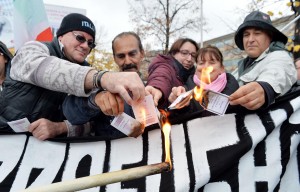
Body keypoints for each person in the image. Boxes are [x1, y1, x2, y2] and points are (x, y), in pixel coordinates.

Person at [0, 14, 145, 140]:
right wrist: (103, 78)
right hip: (5, 136)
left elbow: (91, 123)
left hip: (43, 151)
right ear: (61, 36)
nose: (85, 46)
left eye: (90, 43)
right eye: (80, 38)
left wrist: (60, 128)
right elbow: (45, 69)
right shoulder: (34, 48)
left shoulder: (88, 71)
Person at [63, 31, 146, 138]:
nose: (127, 61)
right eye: (121, 56)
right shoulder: (103, 86)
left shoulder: (154, 90)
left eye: (132, 54)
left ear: (142, 54)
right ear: (115, 58)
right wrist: (95, 100)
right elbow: (71, 113)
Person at [229, 10, 297, 110]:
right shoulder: (242, 66)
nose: (250, 39)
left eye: (257, 33)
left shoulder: (280, 56)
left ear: (270, 37)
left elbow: (277, 71)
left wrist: (265, 88)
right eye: (246, 35)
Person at [168, 45, 239, 119]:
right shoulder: (185, 91)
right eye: (201, 63)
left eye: (212, 62)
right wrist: (179, 105)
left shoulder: (236, 91)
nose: (206, 67)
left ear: (222, 68)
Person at [146, 37, 199, 109]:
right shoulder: (165, 67)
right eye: (184, 53)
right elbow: (161, 76)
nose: (189, 59)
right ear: (173, 53)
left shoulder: (195, 76)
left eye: (193, 55)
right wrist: (157, 88)